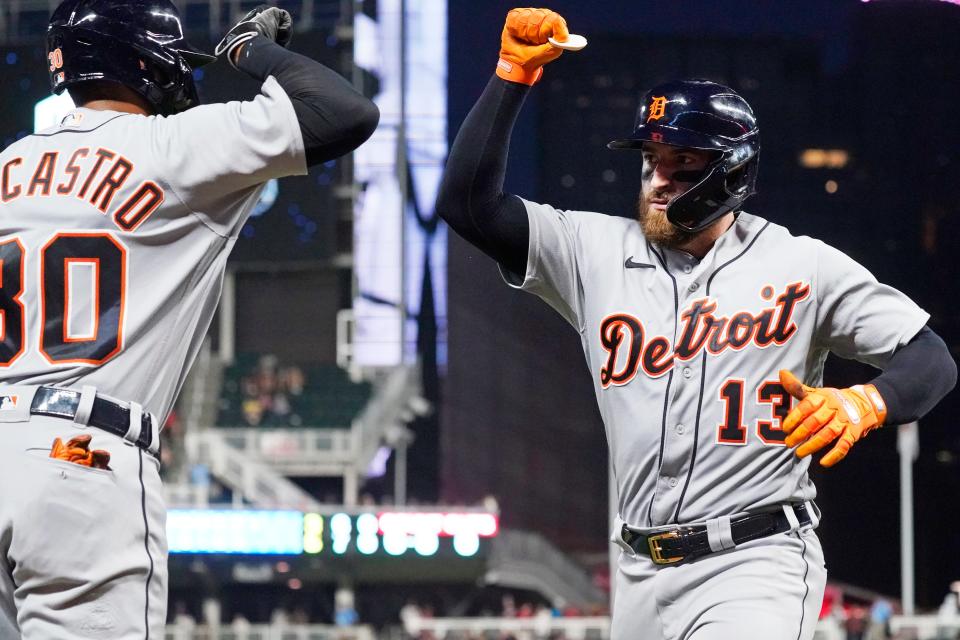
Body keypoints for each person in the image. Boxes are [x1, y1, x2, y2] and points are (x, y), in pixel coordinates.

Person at [435, 8, 956, 640]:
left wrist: (866, 402)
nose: (657, 180)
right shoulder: (592, 252)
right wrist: (511, 74)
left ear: (730, 172)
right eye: (651, 159)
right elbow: (467, 204)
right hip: (637, 573)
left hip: (753, 561)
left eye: (681, 162)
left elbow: (930, 357)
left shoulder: (800, 264)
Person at [0, 0, 378, 636]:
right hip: (81, 462)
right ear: (145, 62)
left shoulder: (7, 166)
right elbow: (343, 111)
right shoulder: (172, 145)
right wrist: (248, 50)